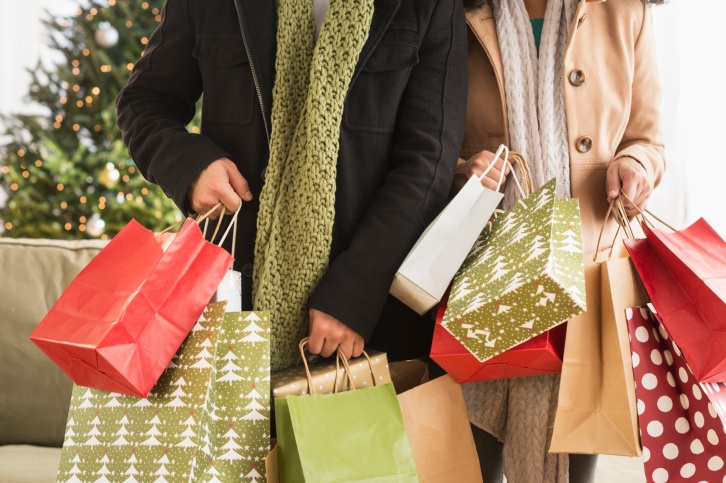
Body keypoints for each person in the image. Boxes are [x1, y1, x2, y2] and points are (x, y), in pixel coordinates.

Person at [116, 0, 467, 373]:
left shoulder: (432, 5)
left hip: (369, 319)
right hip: (230, 306)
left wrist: (356, 292)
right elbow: (144, 102)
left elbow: (428, 162)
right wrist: (189, 165)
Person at [453, 0, 665, 481]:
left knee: (569, 469)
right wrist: (466, 172)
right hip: (480, 277)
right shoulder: (455, 12)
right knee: (469, 466)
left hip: (585, 286)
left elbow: (648, 140)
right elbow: (422, 146)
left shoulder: (624, 10)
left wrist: (636, 166)